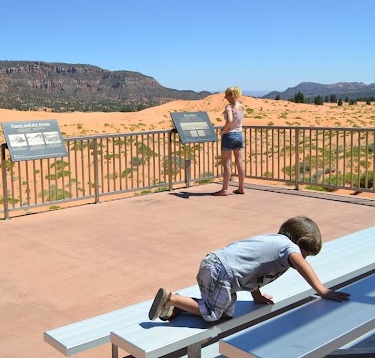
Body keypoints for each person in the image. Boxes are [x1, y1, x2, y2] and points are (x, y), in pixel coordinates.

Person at [148, 216, 350, 322]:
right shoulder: (289, 248)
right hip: (222, 272)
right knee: (213, 315)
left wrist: (257, 296)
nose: (303, 257)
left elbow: (254, 271)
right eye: (306, 252)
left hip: (215, 266)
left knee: (226, 314)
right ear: (299, 242)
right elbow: (300, 264)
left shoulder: (274, 243)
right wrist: (323, 291)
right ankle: (171, 298)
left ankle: (175, 309)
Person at [212, 86, 246, 196]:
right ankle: (241, 188)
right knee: (239, 162)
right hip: (239, 135)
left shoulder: (229, 107)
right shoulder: (242, 106)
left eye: (226, 95)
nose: (225, 97)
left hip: (229, 135)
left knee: (226, 163)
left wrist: (224, 130)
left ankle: (224, 189)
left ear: (231, 95)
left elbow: (230, 120)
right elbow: (238, 120)